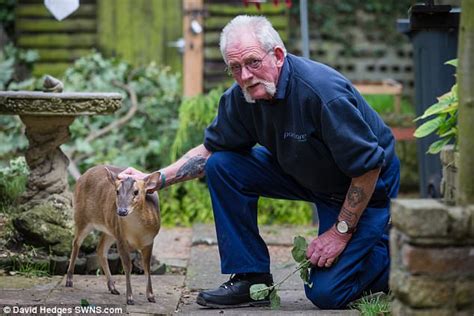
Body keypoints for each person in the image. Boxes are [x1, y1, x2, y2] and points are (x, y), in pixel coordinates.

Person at [119, 15, 399, 309]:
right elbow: (211, 151)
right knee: (223, 166)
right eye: (235, 67)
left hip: (363, 184)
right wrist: (152, 180)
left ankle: (394, 252)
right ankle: (251, 279)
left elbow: (368, 166)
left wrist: (340, 233)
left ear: (277, 56)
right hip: (303, 170)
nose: (245, 75)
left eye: (253, 62)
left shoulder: (321, 93)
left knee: (327, 293)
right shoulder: (242, 97)